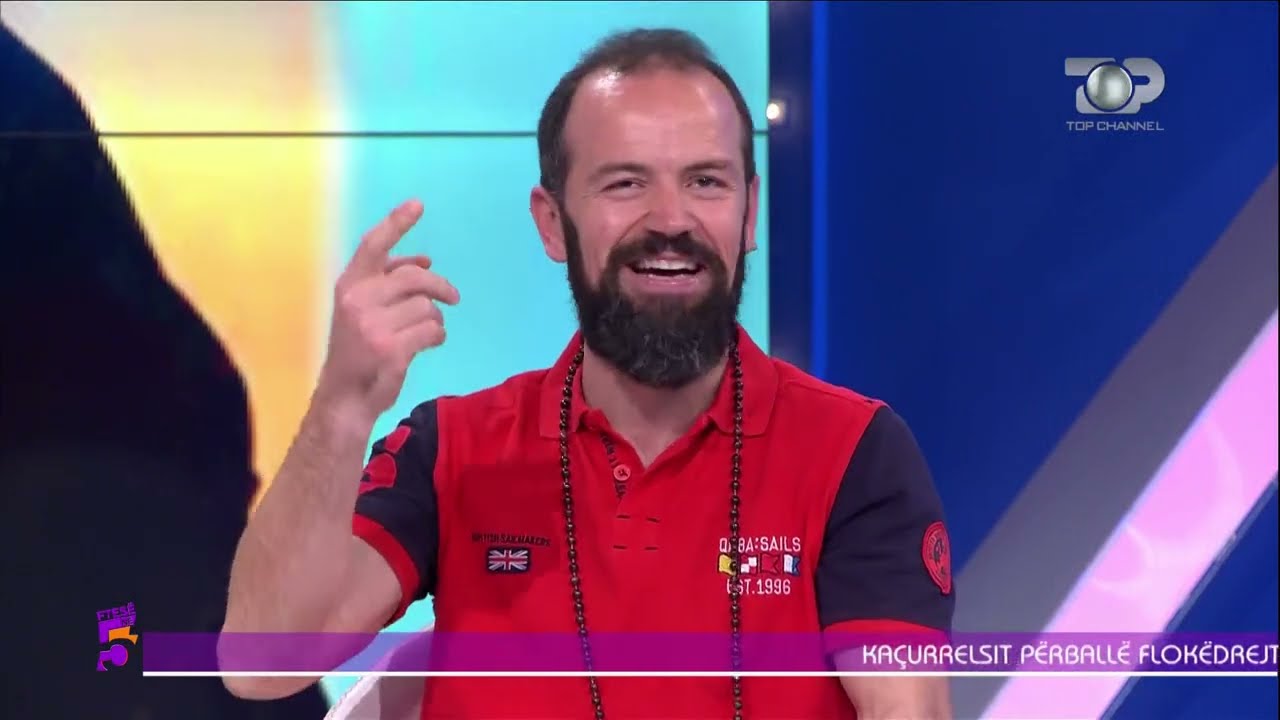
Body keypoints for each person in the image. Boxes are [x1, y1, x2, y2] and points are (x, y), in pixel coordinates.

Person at [223, 28, 954, 719]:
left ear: (750, 213)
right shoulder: (455, 449)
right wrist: (343, 404)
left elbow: (903, 706)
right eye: (625, 184)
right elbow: (261, 665)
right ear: (552, 223)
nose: (671, 220)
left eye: (706, 181)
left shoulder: (852, 451)